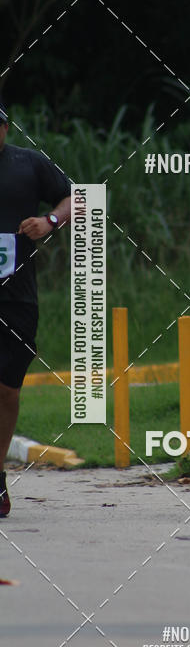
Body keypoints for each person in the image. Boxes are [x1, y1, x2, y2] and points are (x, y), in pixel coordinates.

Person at [0, 102, 71, 517]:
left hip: (17, 296)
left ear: (7, 128)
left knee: (7, 387)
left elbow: (74, 199)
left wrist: (50, 222)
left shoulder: (29, 164)